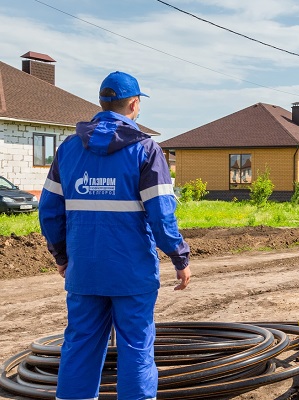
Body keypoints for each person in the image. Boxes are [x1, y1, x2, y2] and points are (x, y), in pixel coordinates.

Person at [38, 71, 191, 400]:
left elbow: (48, 212)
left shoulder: (67, 149)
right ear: (134, 104)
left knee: (80, 344)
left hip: (85, 271)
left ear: (101, 103)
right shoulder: (146, 150)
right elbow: (162, 215)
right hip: (131, 273)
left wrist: (64, 257)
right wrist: (180, 257)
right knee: (136, 347)